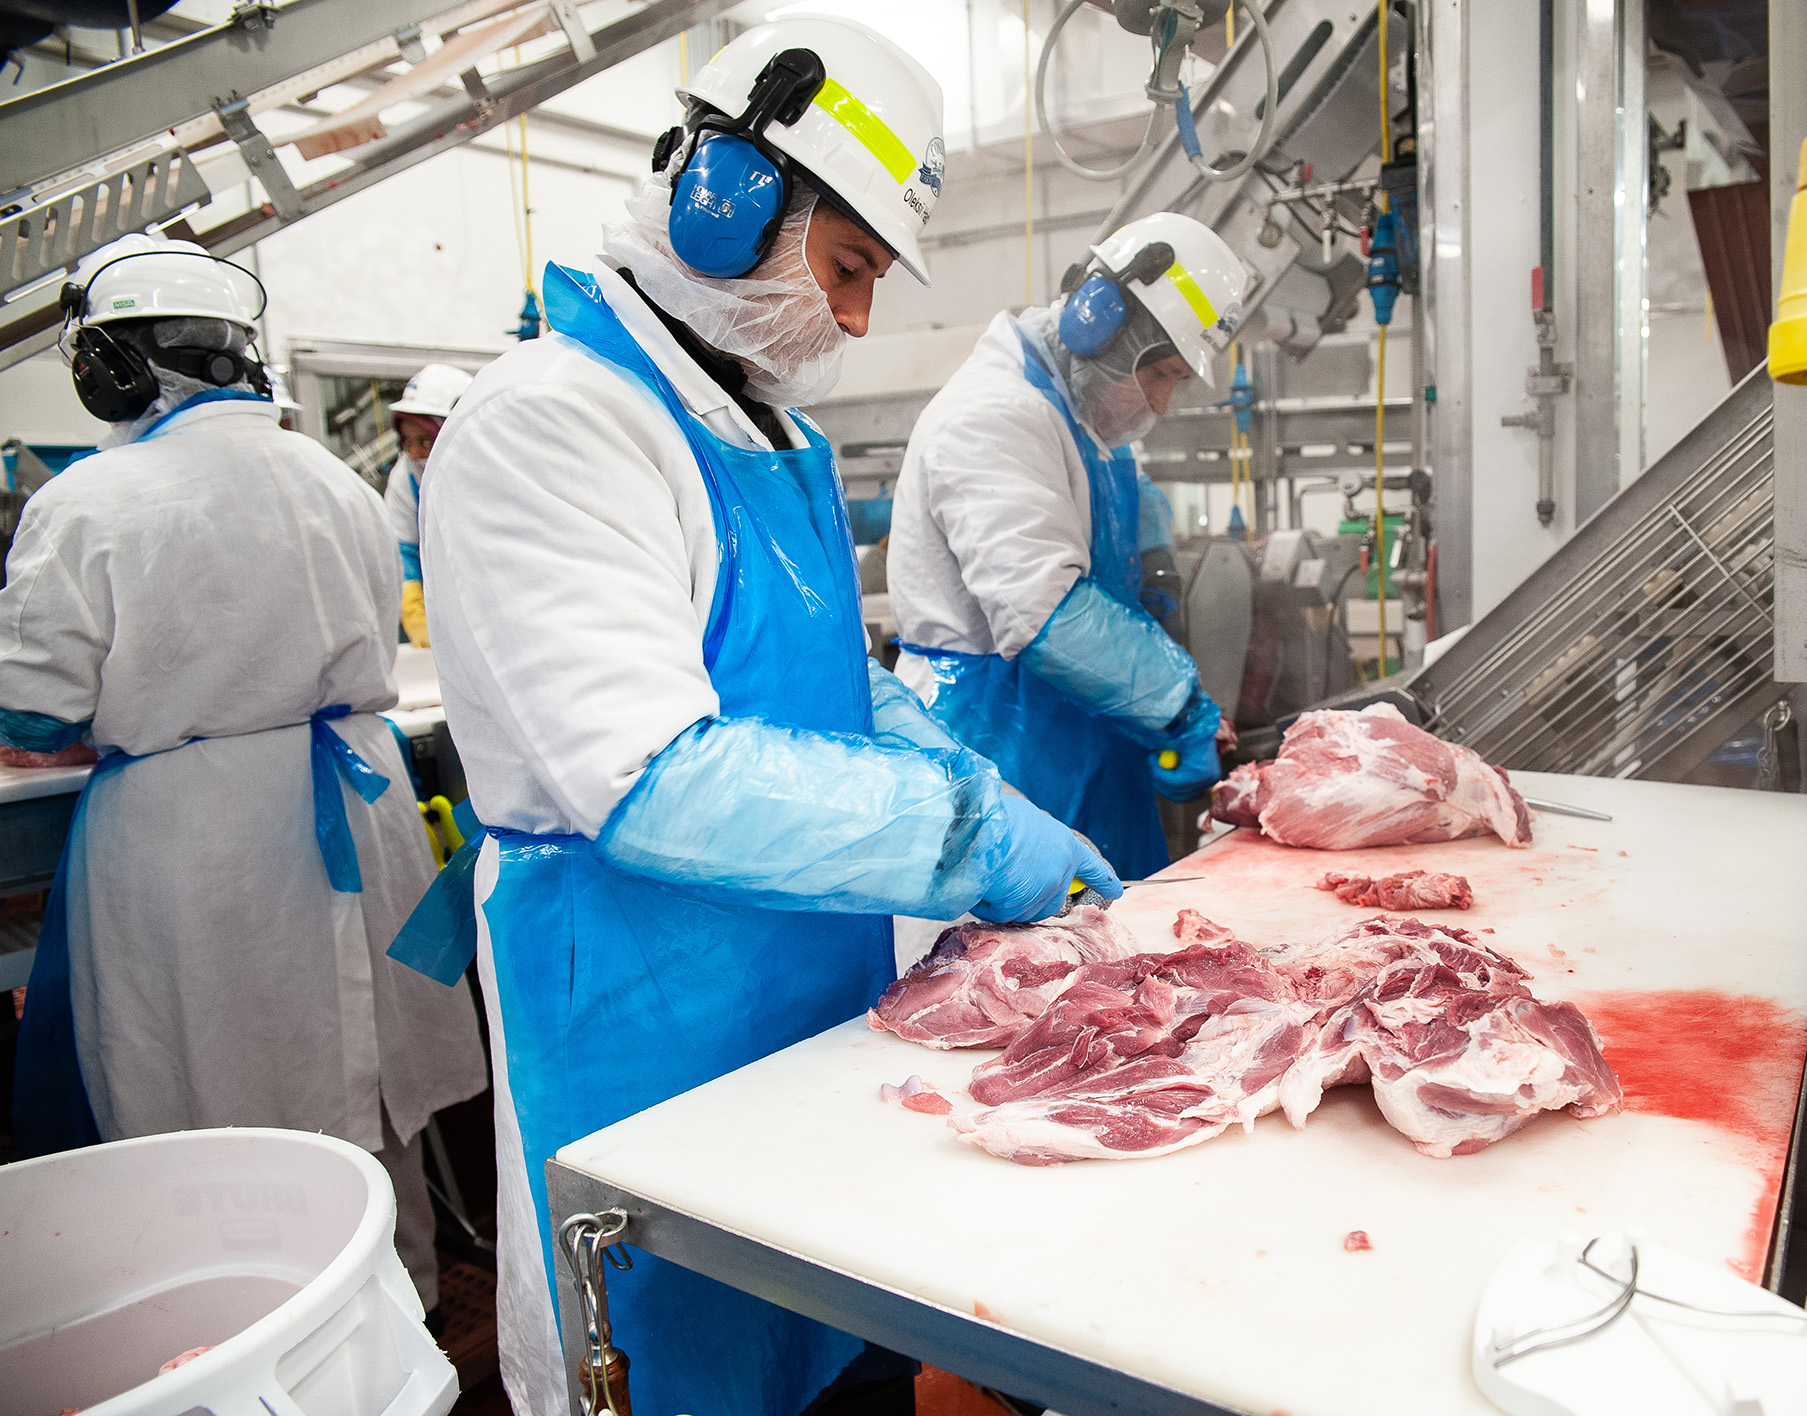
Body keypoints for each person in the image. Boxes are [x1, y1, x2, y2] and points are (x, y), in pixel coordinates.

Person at [410, 19, 1119, 1416]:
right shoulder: (554, 420)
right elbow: (650, 782)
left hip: (801, 976)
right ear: (722, 200)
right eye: (847, 268)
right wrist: (974, 839)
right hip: (645, 996)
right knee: (677, 1349)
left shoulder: (772, 437)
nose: (855, 322)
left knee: (826, 1335)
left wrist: (976, 786)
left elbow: (838, 688)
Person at [0, 234, 488, 1312]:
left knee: (209, 1093)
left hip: (199, 835)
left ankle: (239, 1324)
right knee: (367, 1082)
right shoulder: (335, 480)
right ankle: (398, 1308)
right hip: (352, 795)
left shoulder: (91, 500)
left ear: (108, 369)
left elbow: (34, 706)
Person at [887, 213, 1248, 879]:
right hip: (1001, 750)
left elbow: (1125, 524)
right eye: (1160, 374)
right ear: (1099, 323)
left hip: (1090, 737)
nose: (1162, 405)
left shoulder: (1082, 415)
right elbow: (1045, 615)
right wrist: (1180, 708)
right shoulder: (993, 414)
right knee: (1012, 942)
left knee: (1128, 938)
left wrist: (1155, 578)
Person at [382, 362, 474, 647]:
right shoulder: (406, 477)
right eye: (406, 441)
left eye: (424, 441)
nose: (413, 453)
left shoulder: (492, 471)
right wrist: (414, 611)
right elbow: (403, 549)